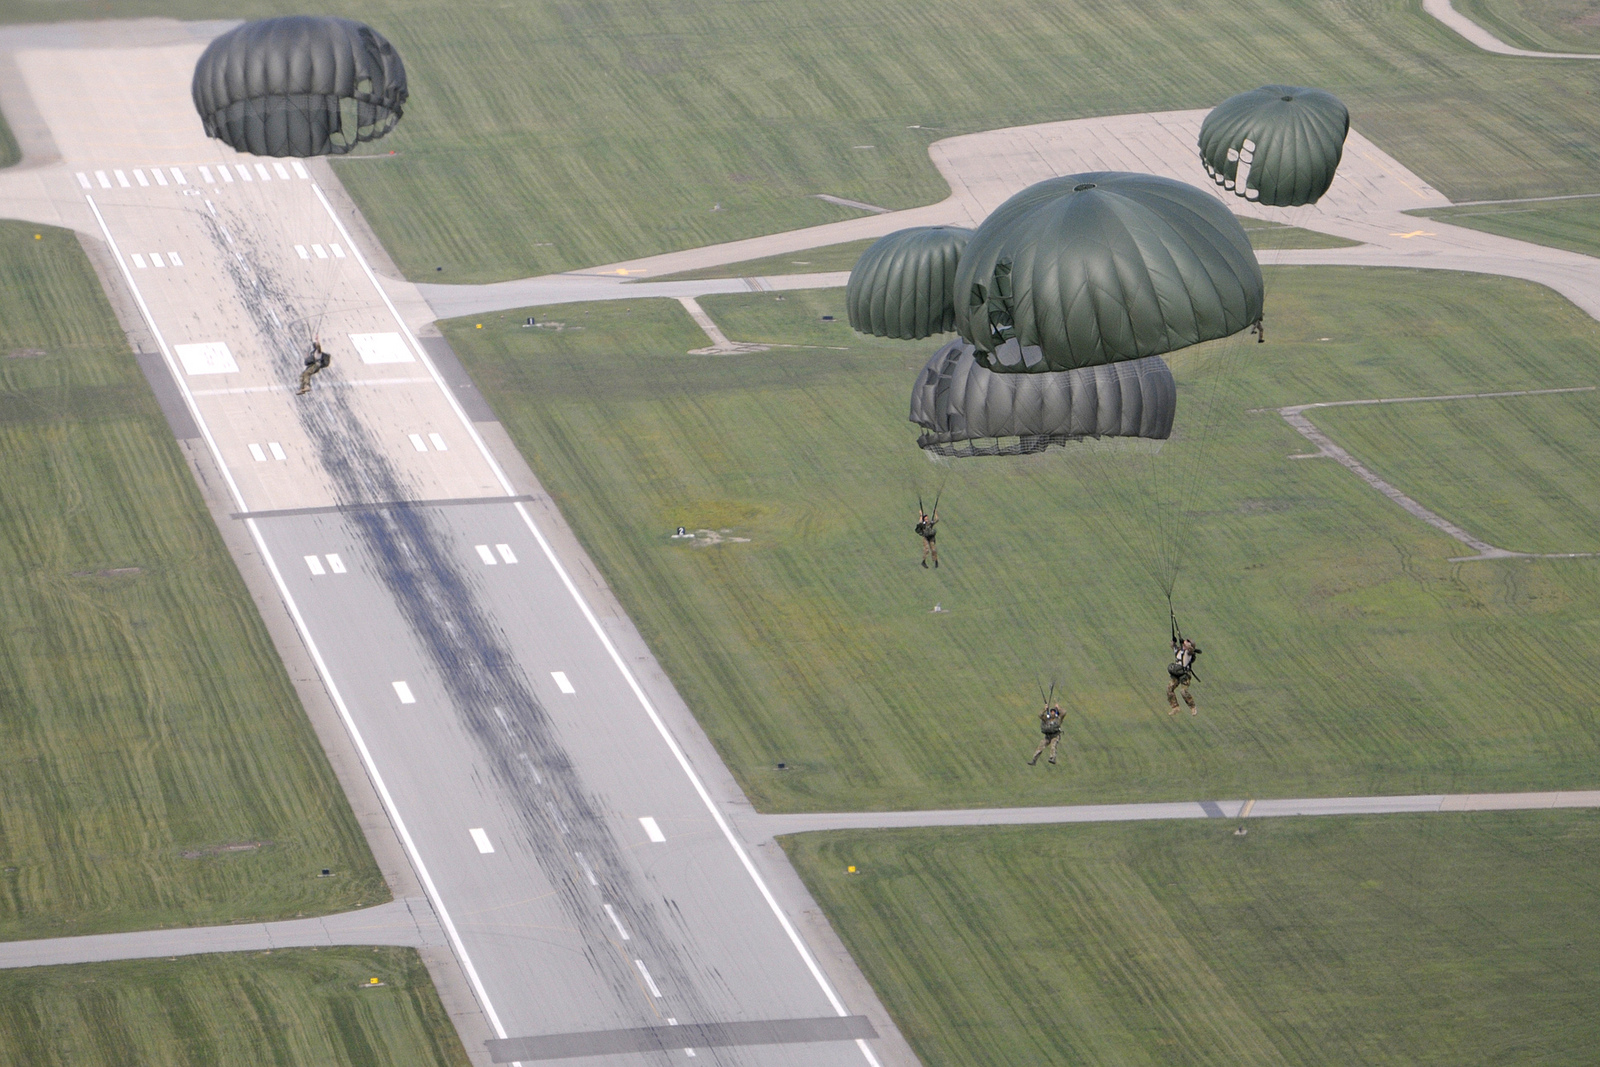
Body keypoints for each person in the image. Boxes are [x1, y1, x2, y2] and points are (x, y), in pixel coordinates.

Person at [1167, 636, 1201, 715]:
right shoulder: (1179, 651)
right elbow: (1172, 645)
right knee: (1169, 689)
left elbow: (1191, 650)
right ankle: (1175, 707)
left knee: (1183, 691)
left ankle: (1192, 707)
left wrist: (1187, 644)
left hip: (1185, 675)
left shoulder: (1188, 653)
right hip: (1177, 673)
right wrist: (1173, 641)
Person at [1028, 700, 1064, 765]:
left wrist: (1058, 708)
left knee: (1053, 745)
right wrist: (1044, 709)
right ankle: (1034, 760)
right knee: (1040, 746)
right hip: (1047, 736)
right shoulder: (1046, 719)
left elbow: (1064, 712)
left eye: (1053, 712)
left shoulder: (1058, 719)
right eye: (1051, 711)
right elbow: (1040, 715)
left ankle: (1052, 758)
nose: (1052, 713)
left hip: (1055, 735)